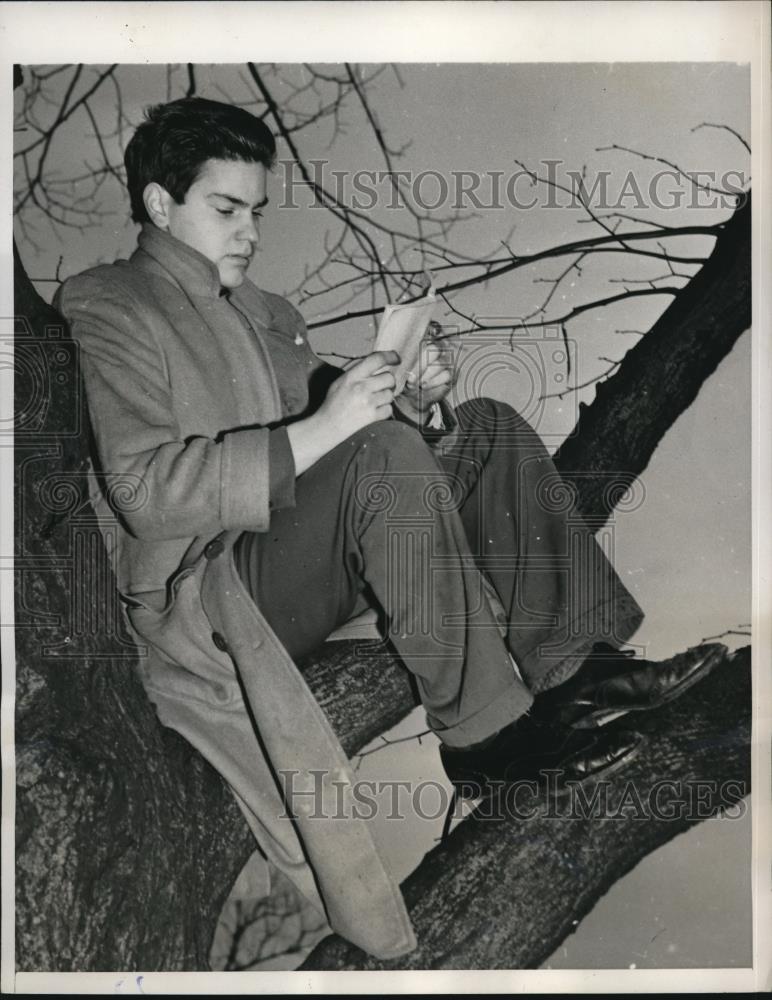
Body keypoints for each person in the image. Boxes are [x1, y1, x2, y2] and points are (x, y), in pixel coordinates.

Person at [54, 96, 718, 961]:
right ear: (157, 205)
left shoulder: (265, 311)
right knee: (383, 461)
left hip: (302, 545)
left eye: (258, 211)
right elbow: (145, 491)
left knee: (482, 429)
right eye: (226, 210)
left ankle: (579, 670)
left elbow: (331, 430)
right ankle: (488, 740)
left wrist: (405, 396)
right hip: (210, 594)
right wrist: (341, 428)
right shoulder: (109, 304)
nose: (249, 231)